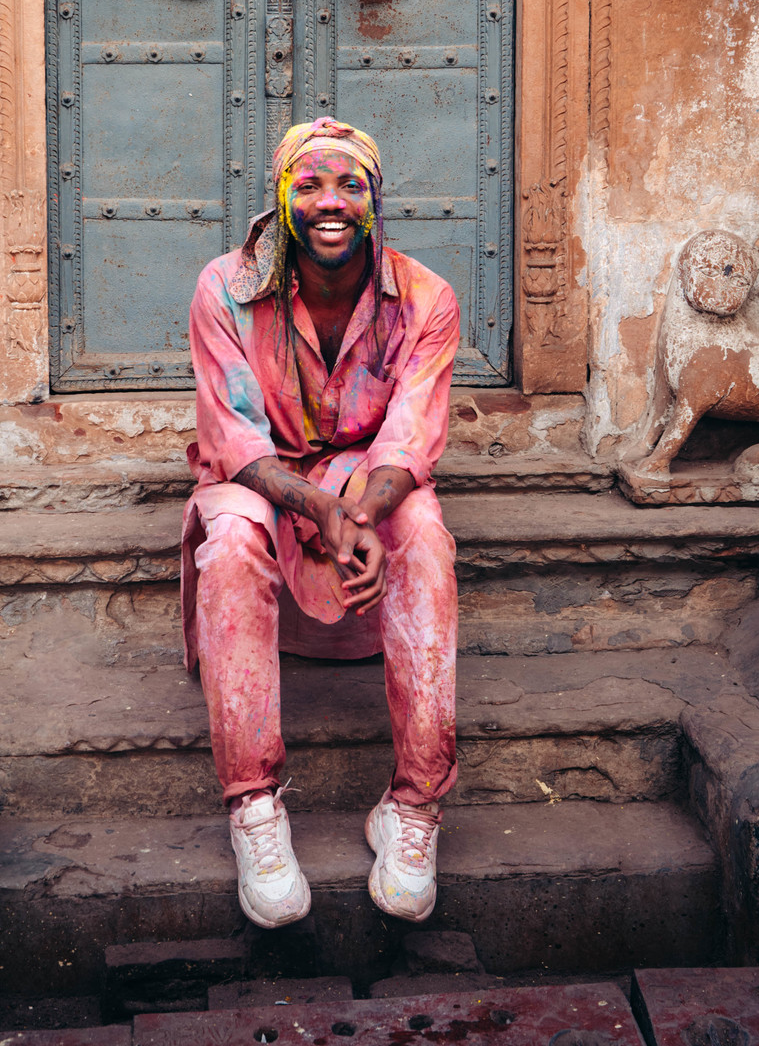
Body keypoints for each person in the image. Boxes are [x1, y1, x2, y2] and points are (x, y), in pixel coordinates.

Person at [181, 117, 459, 929]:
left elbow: (411, 435)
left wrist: (362, 511)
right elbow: (232, 438)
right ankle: (255, 809)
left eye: (350, 185)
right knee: (231, 541)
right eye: (309, 185)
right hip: (259, 477)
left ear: (376, 199)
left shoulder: (426, 298)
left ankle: (413, 808)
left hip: (368, 477)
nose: (330, 202)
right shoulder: (223, 289)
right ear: (280, 197)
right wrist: (325, 512)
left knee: (428, 540)